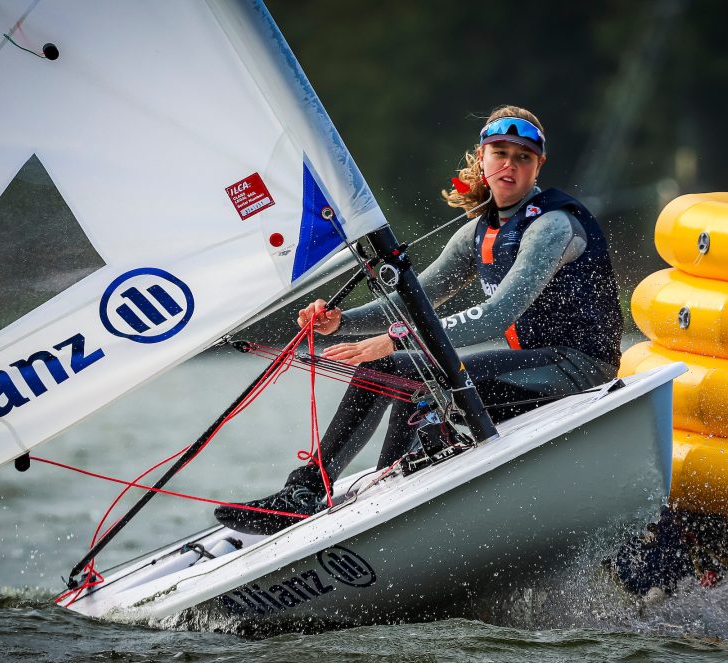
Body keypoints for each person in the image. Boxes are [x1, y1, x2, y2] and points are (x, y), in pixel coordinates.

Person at [216, 105, 623, 534]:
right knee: (395, 369)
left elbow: (496, 316)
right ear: (481, 159)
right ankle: (306, 491)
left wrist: (395, 340)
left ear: (538, 166)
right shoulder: (477, 233)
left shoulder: (553, 226)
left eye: (523, 157)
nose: (510, 164)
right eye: (500, 152)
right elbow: (416, 301)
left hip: (579, 369)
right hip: (537, 367)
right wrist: (340, 321)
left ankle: (393, 490)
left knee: (413, 372)